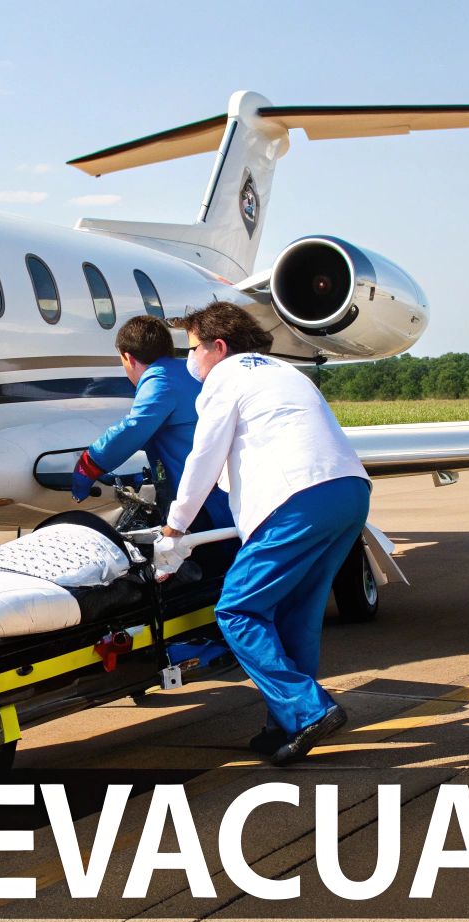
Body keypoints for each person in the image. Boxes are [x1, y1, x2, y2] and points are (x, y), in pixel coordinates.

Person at [162, 301, 371, 765]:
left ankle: (308, 709)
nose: (189, 358)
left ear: (218, 347)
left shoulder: (225, 378)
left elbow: (203, 459)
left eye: (192, 348)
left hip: (297, 500)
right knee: (298, 613)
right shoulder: (284, 373)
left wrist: (174, 527)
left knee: (237, 609)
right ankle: (284, 727)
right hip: (349, 491)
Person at [72, 315, 234, 539]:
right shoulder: (189, 372)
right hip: (225, 495)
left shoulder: (160, 378)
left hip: (203, 506)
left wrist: (90, 464)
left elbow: (134, 427)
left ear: (129, 358)